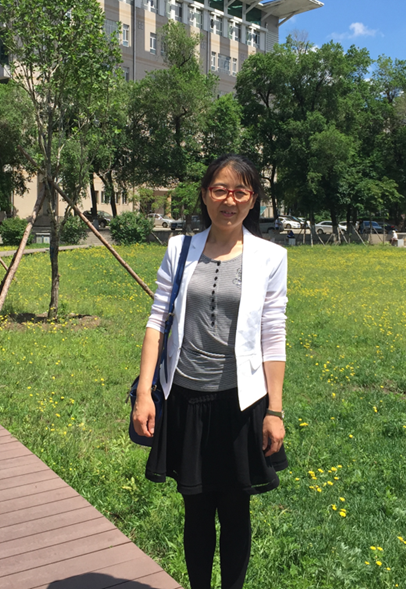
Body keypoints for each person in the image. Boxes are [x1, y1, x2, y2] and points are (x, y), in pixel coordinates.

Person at [132, 154, 288, 589]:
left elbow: (273, 334)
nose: (229, 200)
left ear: (252, 199)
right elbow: (157, 322)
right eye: (220, 190)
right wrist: (144, 393)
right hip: (185, 397)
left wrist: (274, 410)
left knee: (236, 512)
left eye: (240, 191)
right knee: (196, 510)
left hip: (241, 403)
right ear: (205, 195)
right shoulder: (179, 249)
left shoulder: (271, 257)